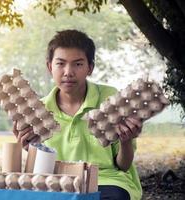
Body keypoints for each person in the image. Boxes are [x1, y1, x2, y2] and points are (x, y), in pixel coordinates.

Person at [13, 29, 142, 200]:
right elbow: (39, 172)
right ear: (49, 67)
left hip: (106, 181)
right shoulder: (38, 110)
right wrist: (29, 148)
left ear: (90, 67)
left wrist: (126, 141)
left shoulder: (110, 99)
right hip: (57, 183)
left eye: (78, 64)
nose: (68, 72)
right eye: (60, 63)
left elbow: (123, 165)